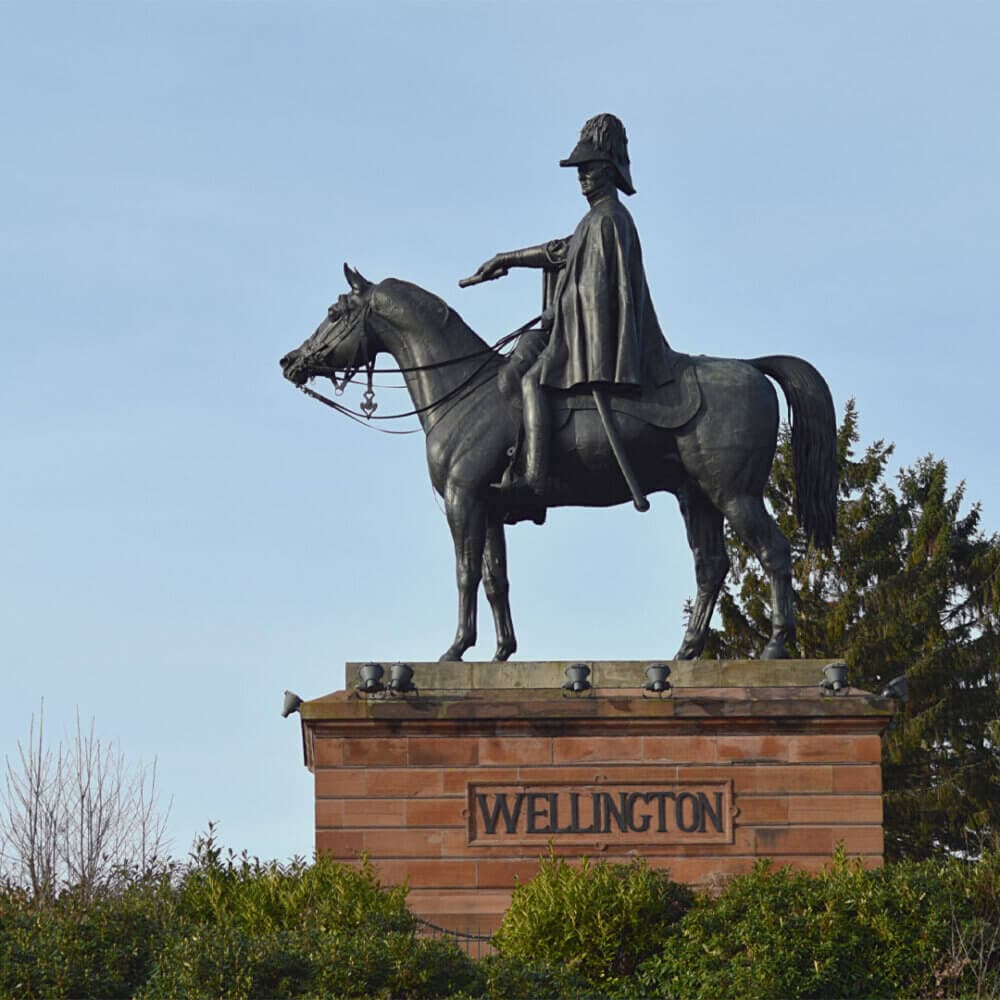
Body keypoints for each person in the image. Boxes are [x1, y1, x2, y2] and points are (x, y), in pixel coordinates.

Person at [466, 113, 673, 494]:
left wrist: (556, 310)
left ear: (610, 171)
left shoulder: (608, 220)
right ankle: (514, 450)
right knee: (520, 355)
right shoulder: (592, 221)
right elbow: (559, 251)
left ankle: (534, 477)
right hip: (572, 328)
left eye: (589, 168)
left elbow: (596, 291)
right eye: (579, 170)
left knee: (532, 382)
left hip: (593, 338)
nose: (582, 177)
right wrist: (507, 259)